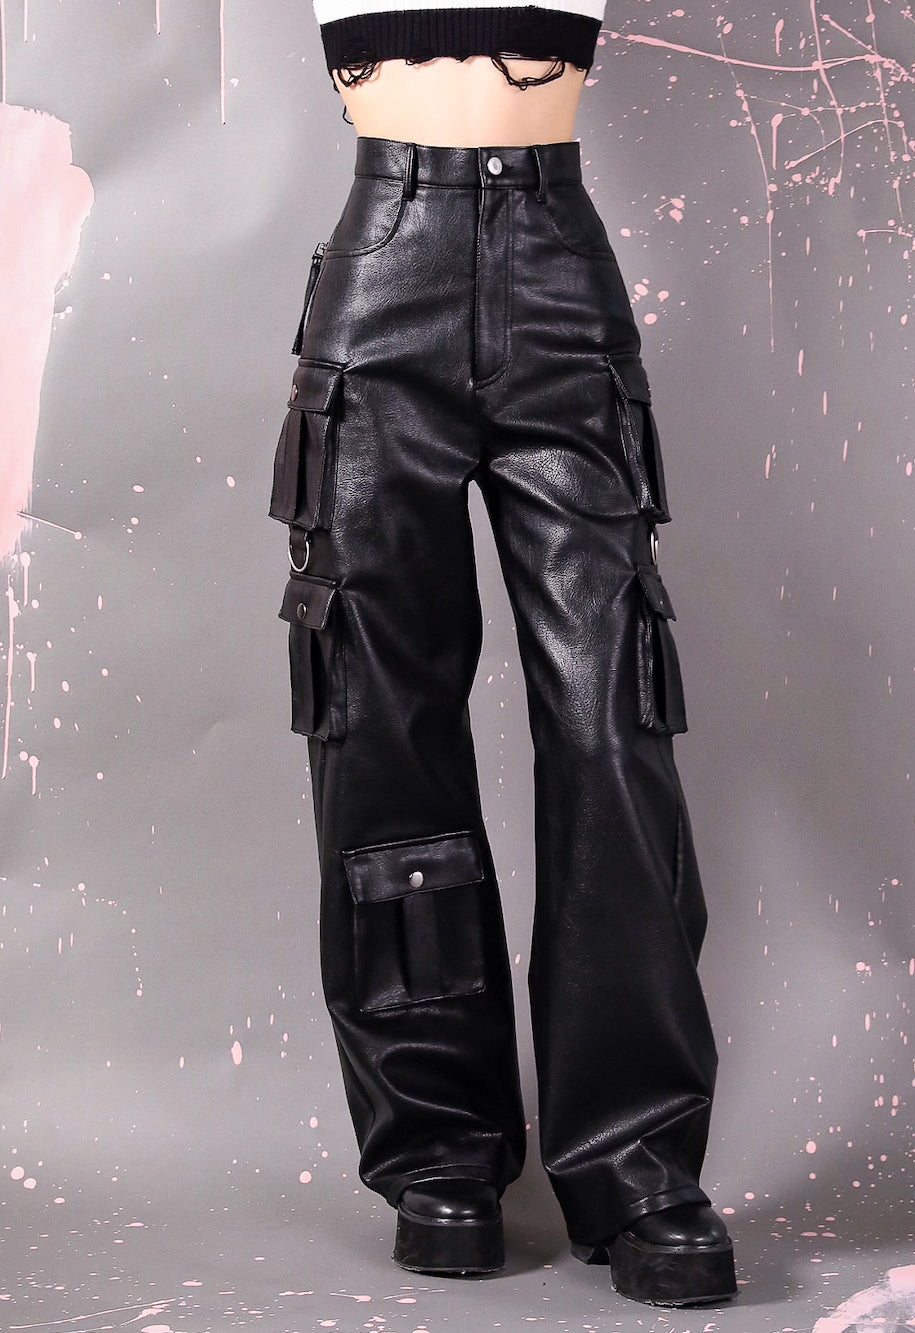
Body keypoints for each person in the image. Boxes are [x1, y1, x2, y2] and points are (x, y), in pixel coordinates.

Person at [268, 0, 738, 1308]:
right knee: (380, 724)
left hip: (557, 275)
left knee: (611, 724)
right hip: (383, 275)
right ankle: (440, 1151)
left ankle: (636, 1163)